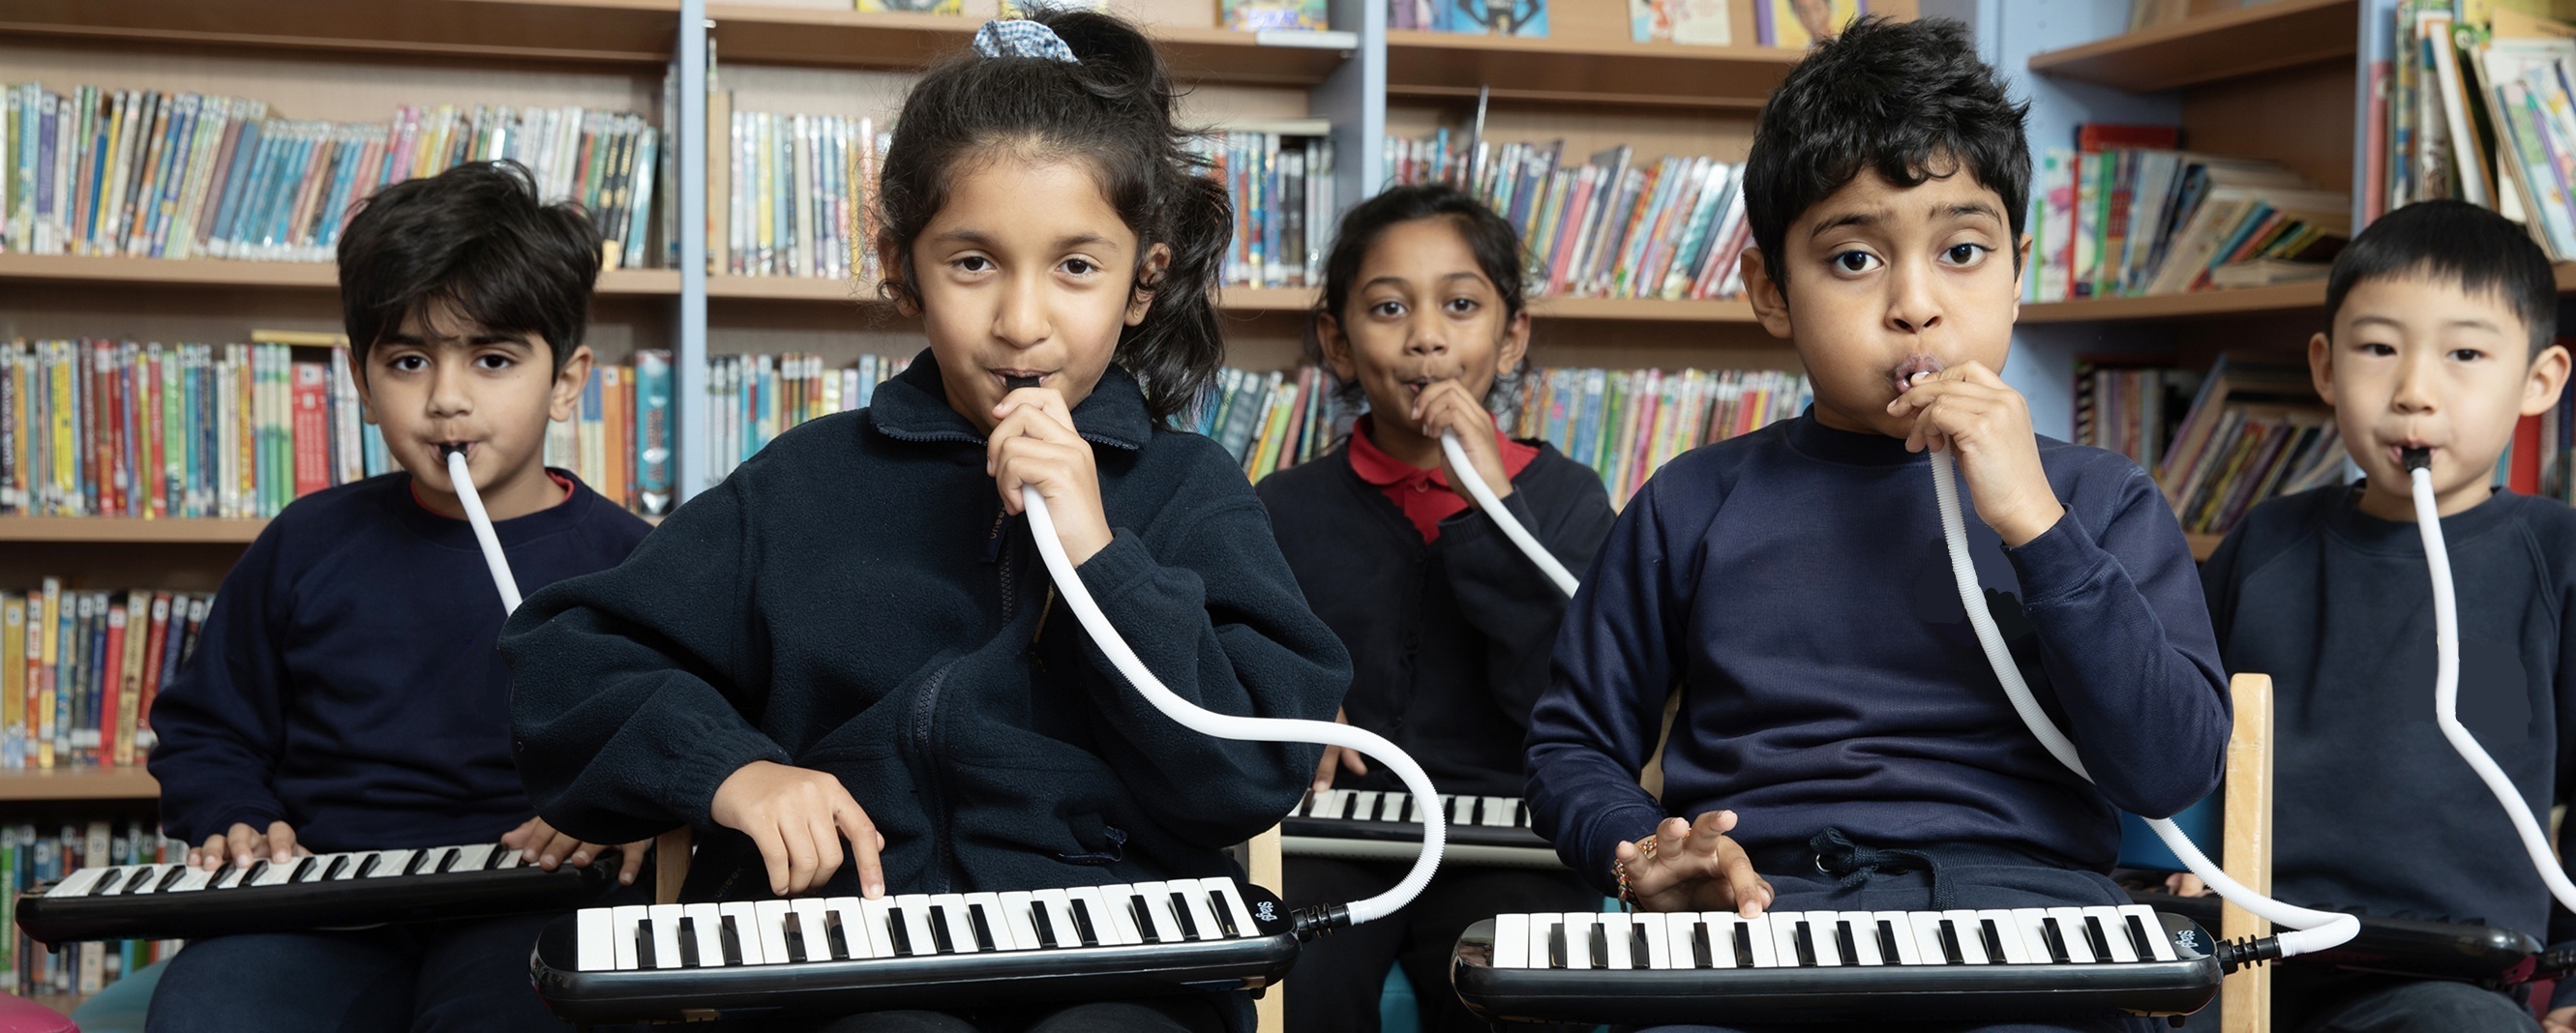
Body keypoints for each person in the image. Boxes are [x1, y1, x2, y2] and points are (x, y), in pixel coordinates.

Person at [501, 14, 1352, 1032]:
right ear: (901, 267)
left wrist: (1100, 556)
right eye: (974, 263)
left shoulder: (1190, 490)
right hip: (852, 957)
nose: (1022, 322)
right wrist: (733, 771)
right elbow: (565, 665)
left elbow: (1248, 775)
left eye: (1077, 268)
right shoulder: (801, 482)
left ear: (1144, 282)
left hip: (1124, 964)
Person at [1522, 17, 2232, 1032]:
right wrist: (1639, 854)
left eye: (1963, 251)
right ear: (1771, 291)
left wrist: (2037, 525)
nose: (1915, 306)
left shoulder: (2100, 499)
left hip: (2027, 937)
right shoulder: (1691, 502)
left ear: (2018, 273)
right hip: (1765, 925)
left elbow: (2171, 769)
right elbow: (1574, 747)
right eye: (1854, 259)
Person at [143, 160, 656, 1033]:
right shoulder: (306, 544)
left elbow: (688, 741)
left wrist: (632, 809)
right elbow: (209, 730)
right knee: (207, 1014)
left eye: (493, 359)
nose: (446, 400)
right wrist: (235, 816)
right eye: (409, 361)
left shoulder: (635, 565)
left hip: (536, 896)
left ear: (567, 382)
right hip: (318, 905)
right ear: (362, 382)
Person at [2194, 199, 2576, 1033]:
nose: (2414, 392)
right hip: (2244, 948)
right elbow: (2184, 734)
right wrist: (2185, 867)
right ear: (2324, 367)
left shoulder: (2570, 558)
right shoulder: (2266, 542)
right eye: (2378, 349)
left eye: (2465, 354)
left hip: (2449, 979)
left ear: (2539, 380)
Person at [1257, 183, 1612, 1033]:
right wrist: (1290, 691)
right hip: (1333, 836)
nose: (1425, 336)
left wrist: (1494, 507)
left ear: (1511, 336)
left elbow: (1567, 693)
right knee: (1291, 972)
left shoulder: (1567, 499)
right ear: (1338, 343)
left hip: (1514, 841)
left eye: (1460, 305)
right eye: (1389, 308)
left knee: (1516, 993)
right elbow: (1241, 647)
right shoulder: (1281, 506)